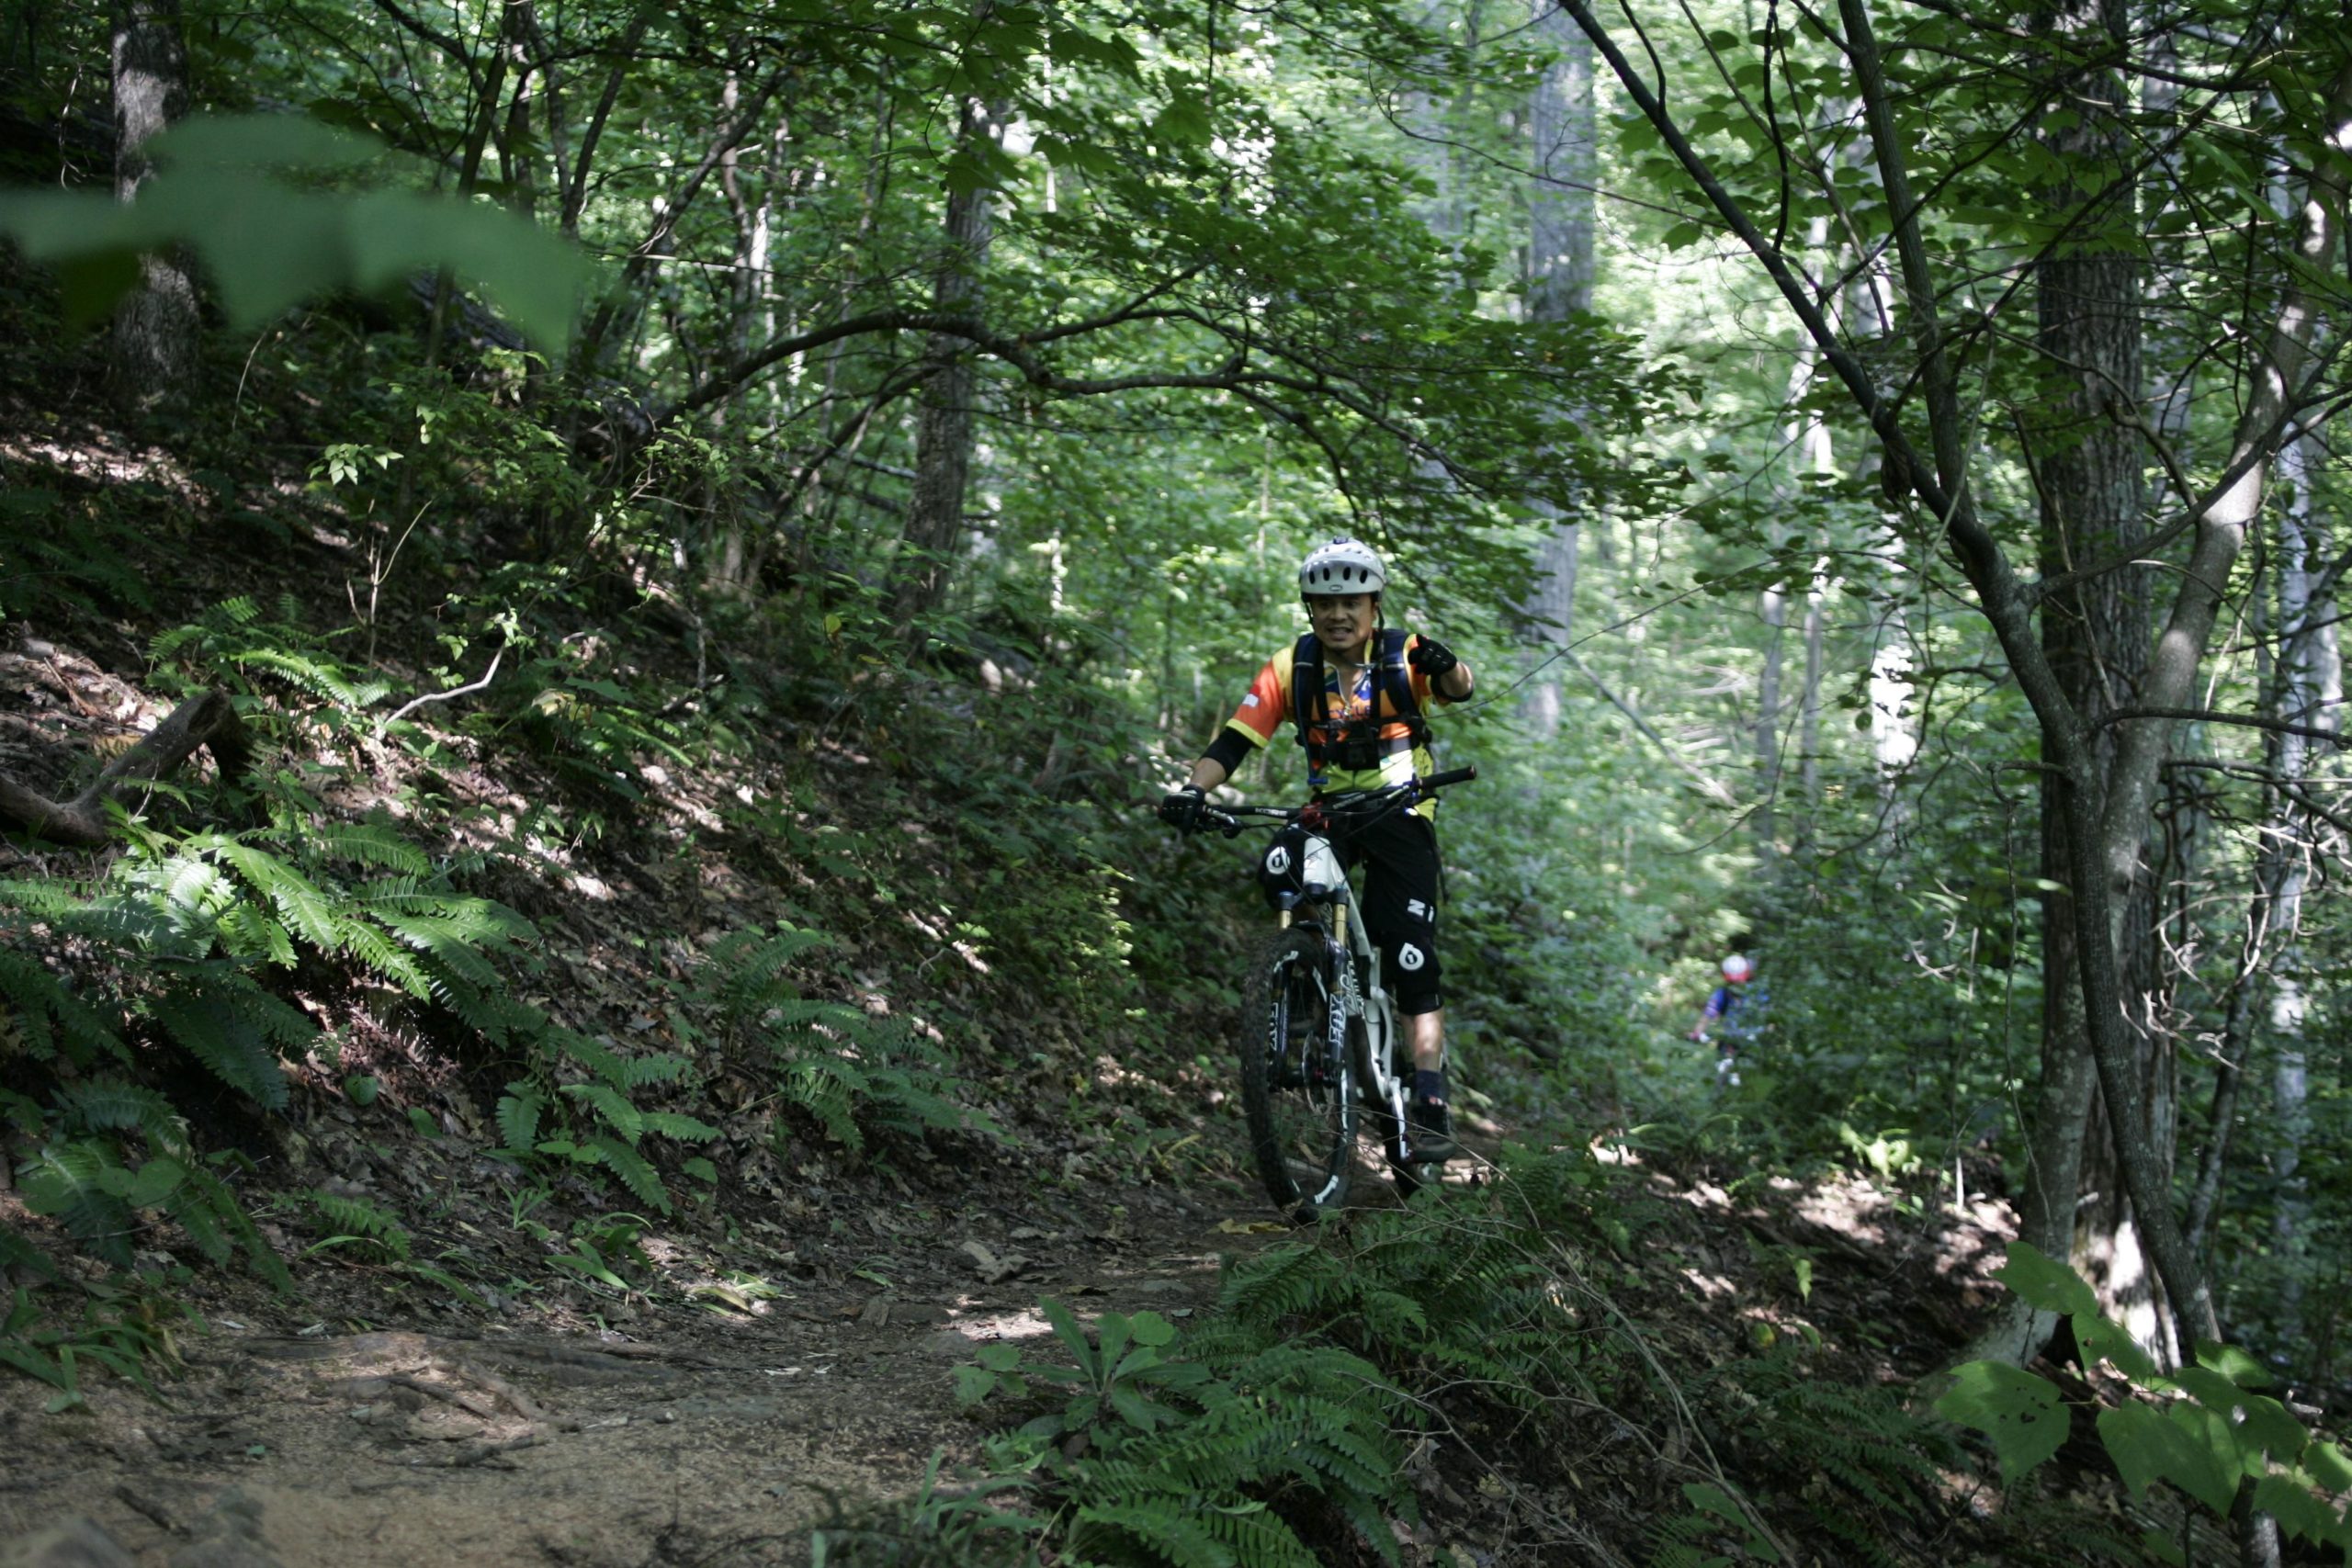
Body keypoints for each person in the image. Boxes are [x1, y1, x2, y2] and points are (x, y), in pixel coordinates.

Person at [1159, 537, 1474, 1161]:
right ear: (1309, 607)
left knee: (1408, 952)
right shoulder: (1291, 667)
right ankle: (1306, 985)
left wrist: (1446, 664)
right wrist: (1192, 790)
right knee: (1283, 865)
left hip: (1401, 807)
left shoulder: (1401, 654)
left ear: (1373, 603)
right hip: (1329, 807)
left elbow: (1457, 688)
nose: (1337, 614)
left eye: (1350, 601)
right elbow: (1234, 742)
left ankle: (1432, 1094)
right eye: (1324, 602)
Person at [1689, 953, 1760, 1084]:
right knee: (1724, 1071)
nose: (1736, 985)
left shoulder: (1757, 993)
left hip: (1754, 1041)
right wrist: (1698, 1032)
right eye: (1732, 982)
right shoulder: (1722, 994)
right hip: (1729, 1041)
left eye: (1739, 980)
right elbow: (1708, 1013)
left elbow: (1769, 1016)